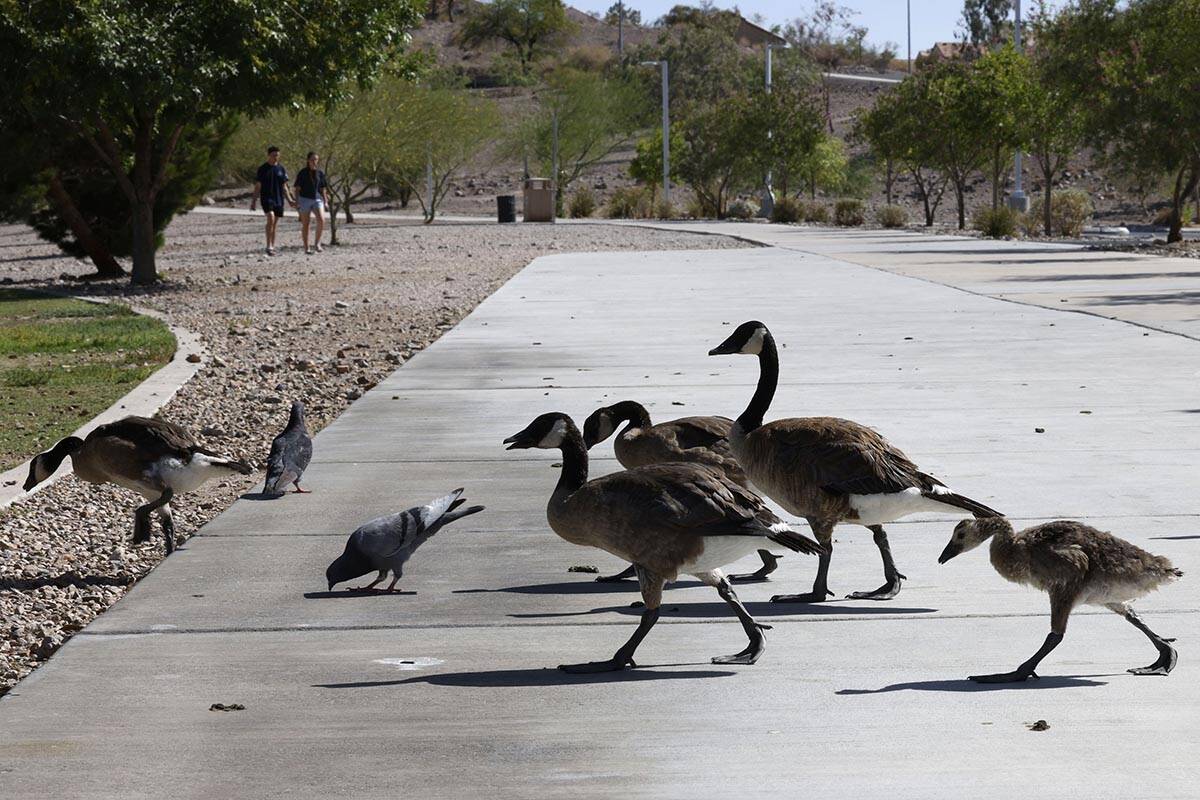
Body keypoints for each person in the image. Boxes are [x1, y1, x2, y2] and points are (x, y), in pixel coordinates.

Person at [250, 146, 294, 255]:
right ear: (269, 155)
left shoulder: (281, 169)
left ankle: (272, 246)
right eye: (274, 155)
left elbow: (285, 187)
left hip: (278, 198)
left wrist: (290, 200)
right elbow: (258, 186)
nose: (276, 158)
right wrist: (254, 201)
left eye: (277, 156)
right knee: (271, 217)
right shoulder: (262, 169)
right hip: (267, 198)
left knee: (274, 223)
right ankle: (268, 245)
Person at [294, 151, 331, 255]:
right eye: (312, 159)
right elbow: (297, 188)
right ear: (308, 160)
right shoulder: (302, 172)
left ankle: (317, 243)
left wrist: (326, 201)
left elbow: (323, 188)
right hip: (304, 198)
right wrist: (297, 202)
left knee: (321, 220)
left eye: (316, 160)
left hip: (317, 198)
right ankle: (306, 247)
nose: (314, 162)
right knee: (306, 223)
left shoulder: (320, 173)